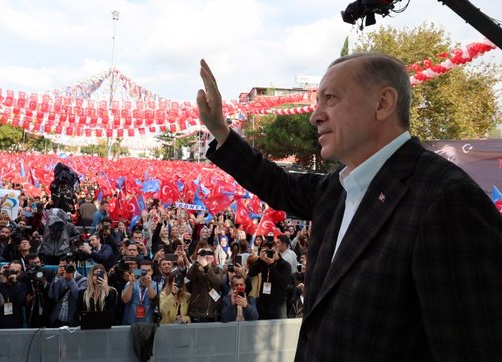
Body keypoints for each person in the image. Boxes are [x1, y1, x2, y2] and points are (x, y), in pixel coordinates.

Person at [197, 55, 502, 360]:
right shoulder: (338, 188)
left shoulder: (447, 201)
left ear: (383, 103)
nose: (314, 116)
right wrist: (221, 132)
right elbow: (277, 184)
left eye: (329, 99)